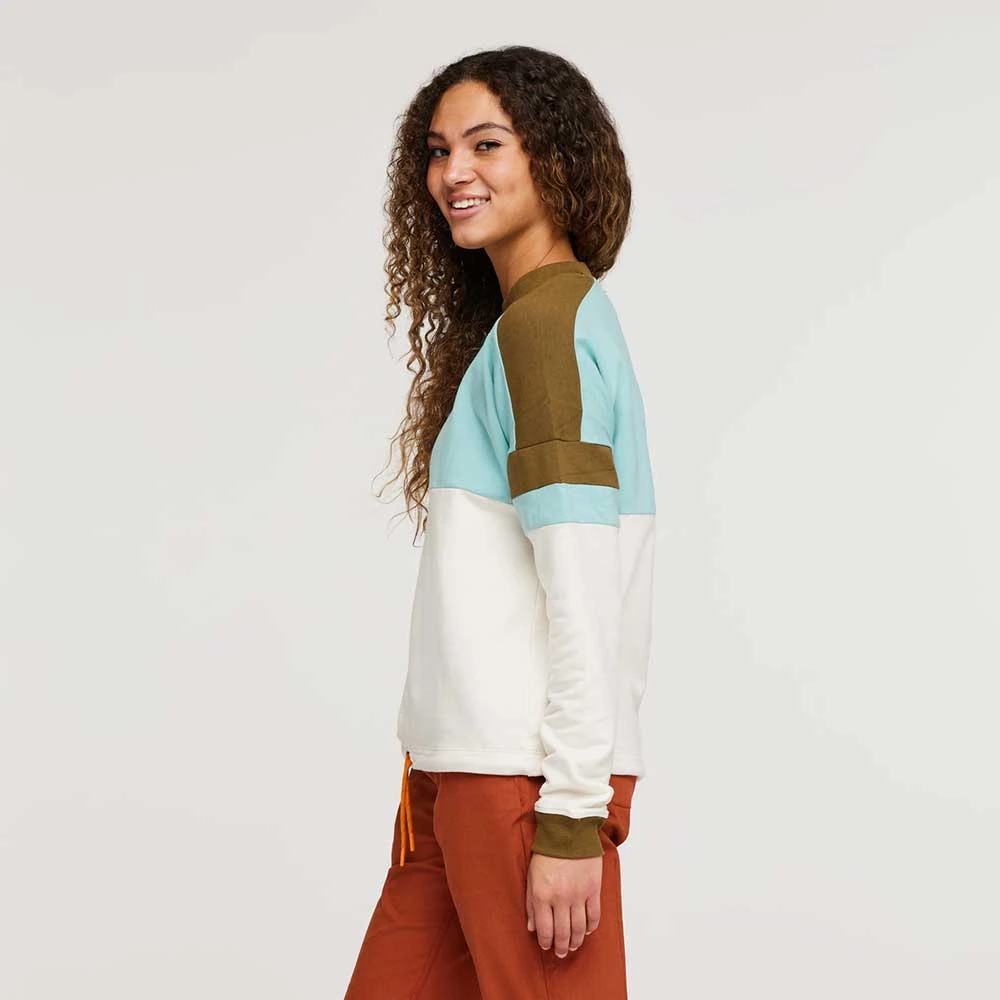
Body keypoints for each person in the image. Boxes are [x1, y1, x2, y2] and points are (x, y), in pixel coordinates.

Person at [345, 45, 656, 1000]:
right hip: (455, 779)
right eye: (439, 150)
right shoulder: (526, 325)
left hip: (523, 784)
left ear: (555, 159)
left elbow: (584, 581)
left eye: (486, 144)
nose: (453, 172)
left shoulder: (545, 331)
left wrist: (572, 814)